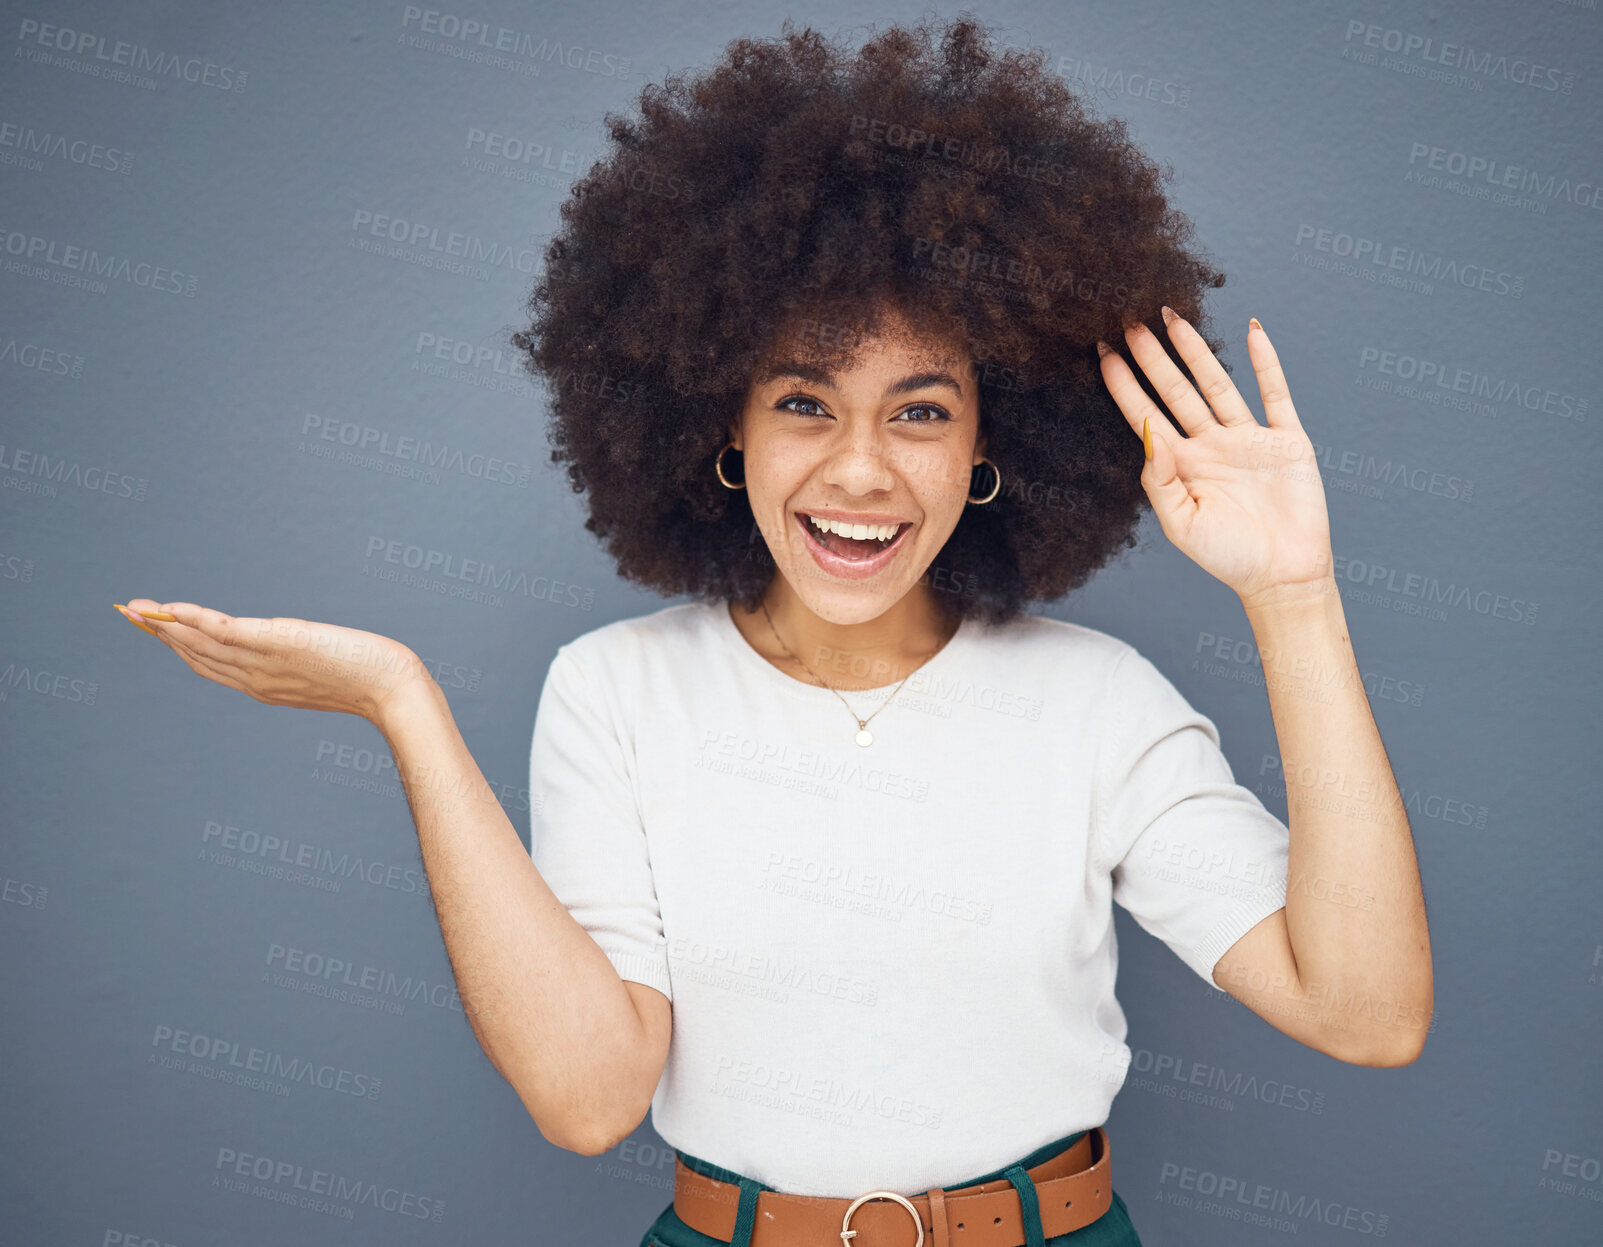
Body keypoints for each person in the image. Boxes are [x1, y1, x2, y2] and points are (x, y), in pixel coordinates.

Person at [115, 16, 1432, 1247]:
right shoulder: (615, 693)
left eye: (920, 412)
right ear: (722, 433)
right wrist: (405, 704)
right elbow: (588, 1103)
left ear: (994, 446)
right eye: (805, 402)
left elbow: (1366, 1015)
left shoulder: (1100, 703)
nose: (860, 469)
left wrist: (1292, 597)